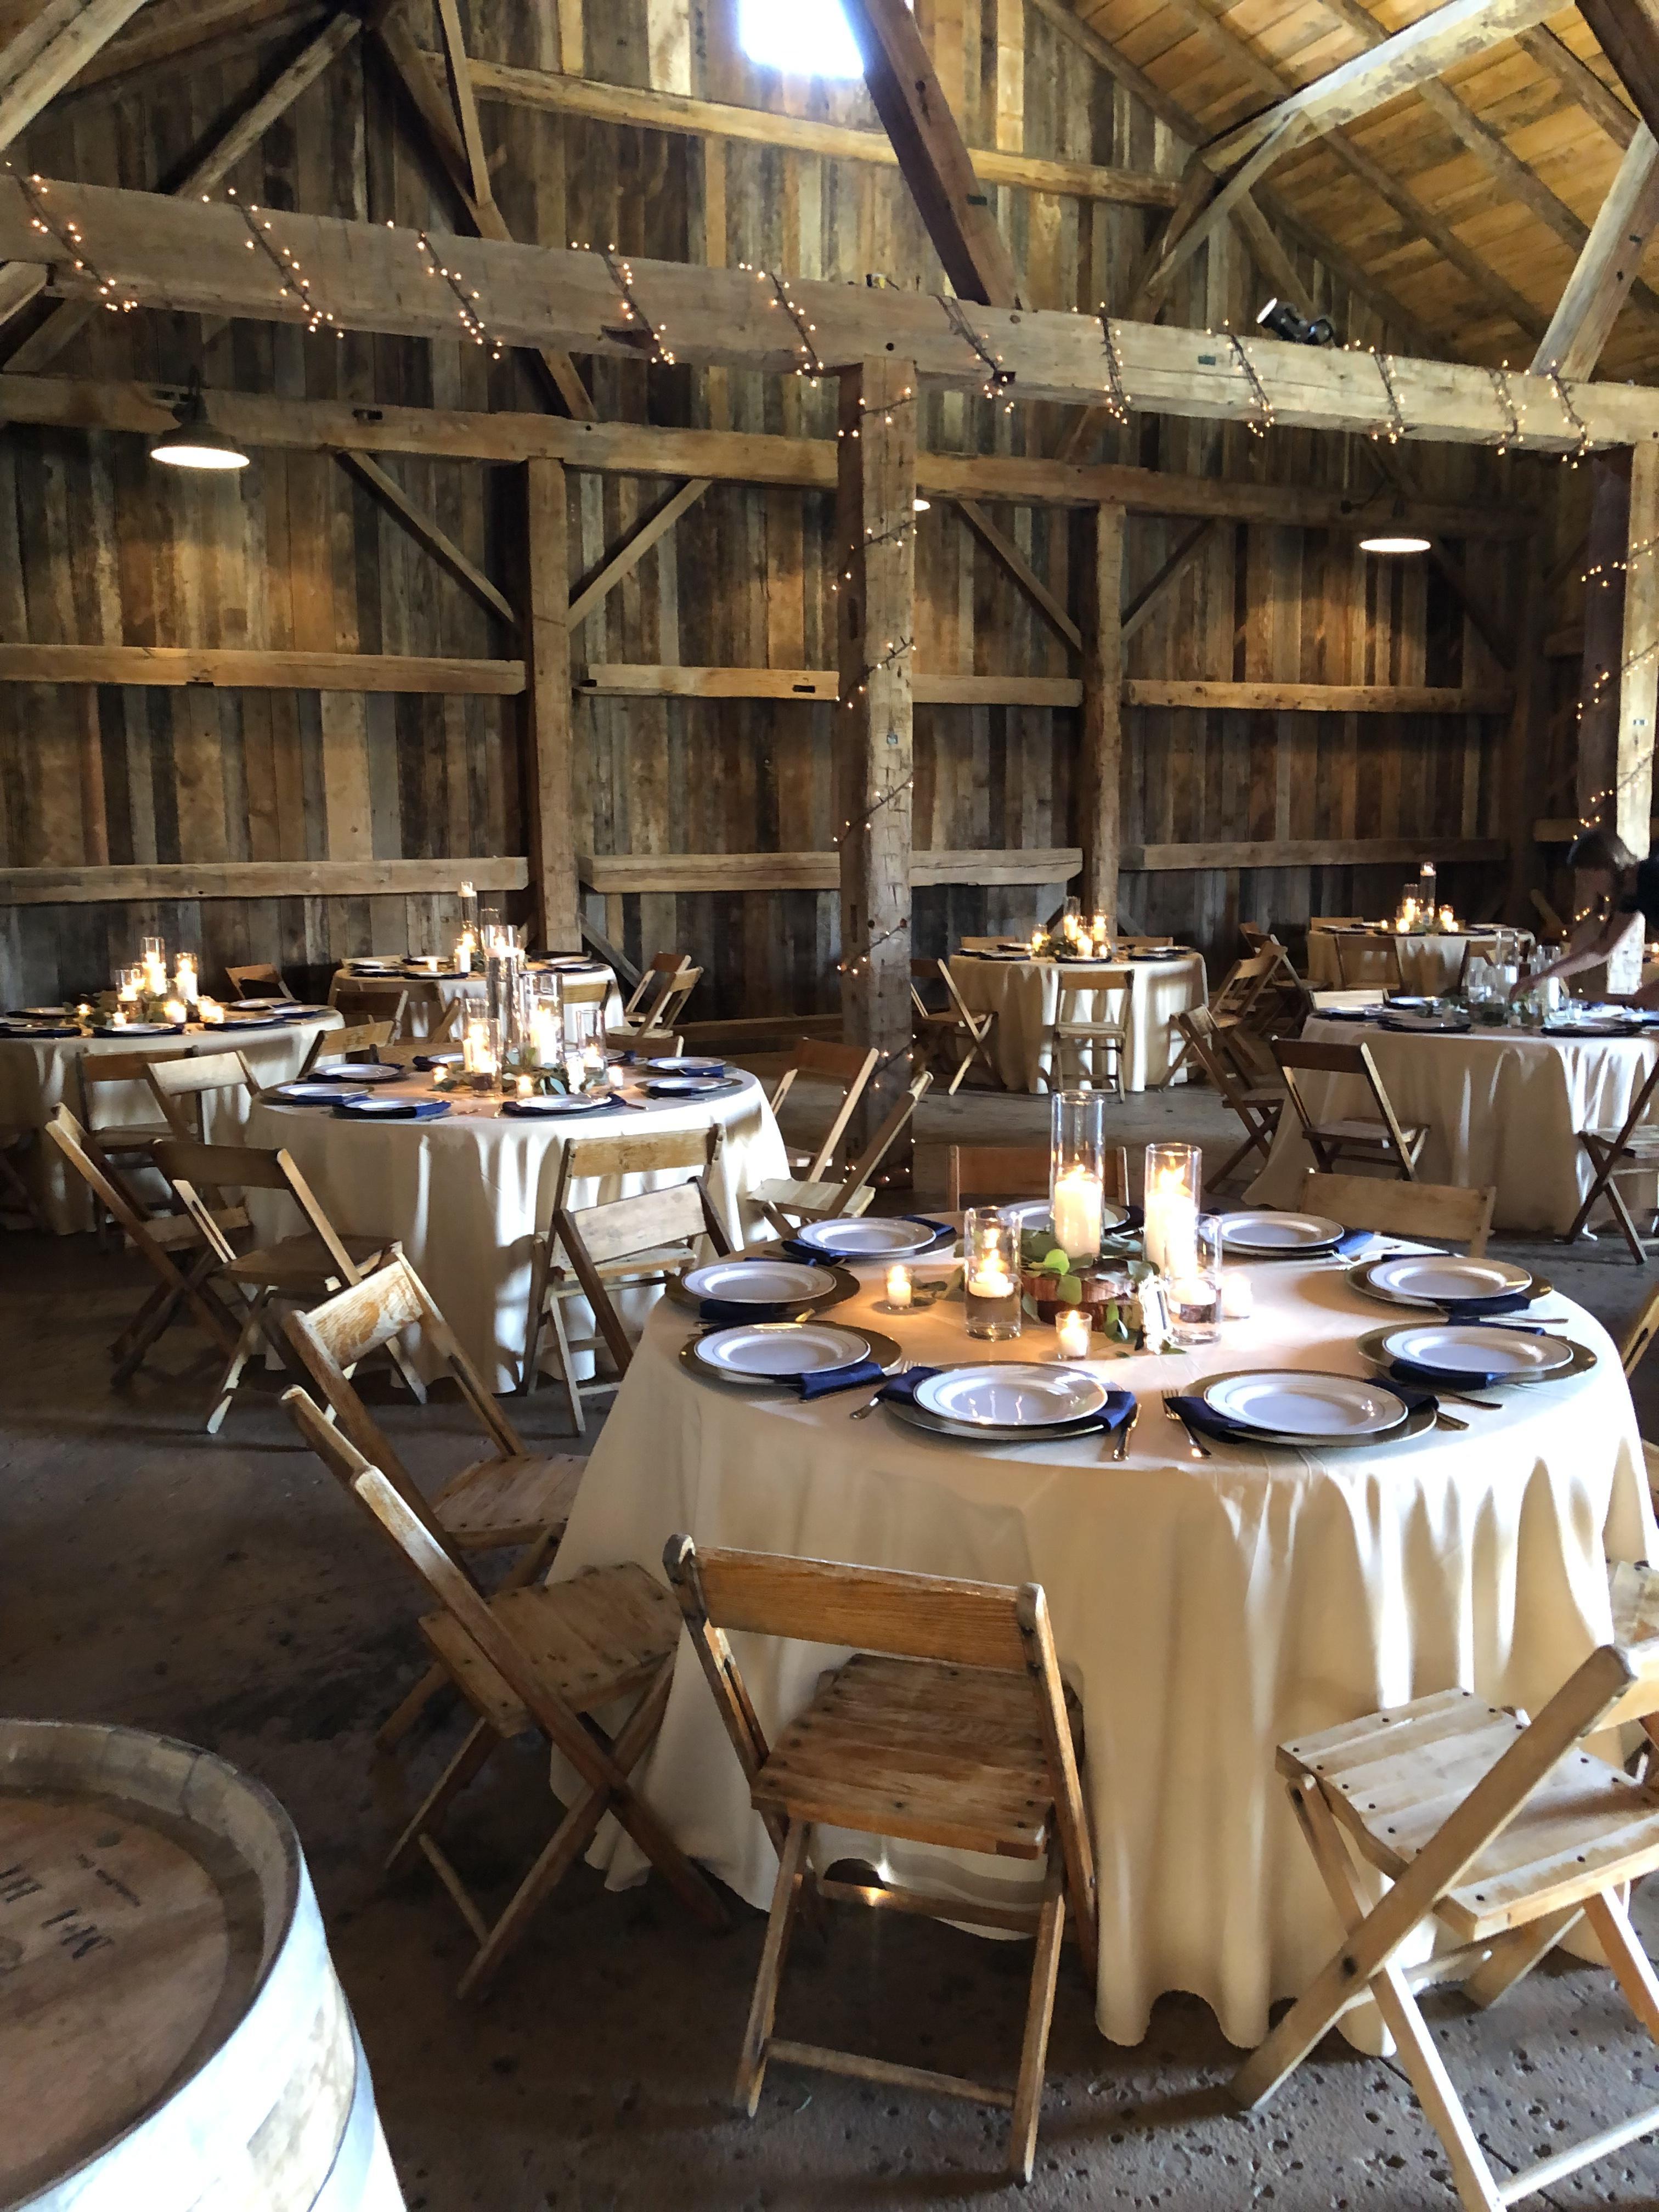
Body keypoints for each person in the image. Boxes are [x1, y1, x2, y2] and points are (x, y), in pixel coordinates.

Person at [1515, 827, 1659, 1005]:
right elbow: (1602, 948)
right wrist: (1544, 976)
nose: (1589, 887)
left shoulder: (1651, 876)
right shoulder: (1629, 894)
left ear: (1606, 865)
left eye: (1587, 878)